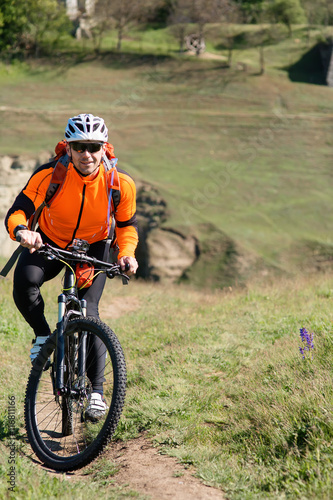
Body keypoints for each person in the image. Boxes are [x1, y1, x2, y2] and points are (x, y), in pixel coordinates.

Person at [5, 113, 138, 421]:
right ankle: (42, 336)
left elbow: (127, 227)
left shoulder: (119, 183)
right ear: (68, 147)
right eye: (80, 147)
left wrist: (127, 253)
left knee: (90, 312)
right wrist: (23, 231)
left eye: (94, 147)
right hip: (50, 241)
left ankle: (96, 393)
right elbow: (18, 211)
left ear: (105, 147)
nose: (87, 154)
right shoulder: (50, 174)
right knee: (25, 281)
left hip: (94, 246)